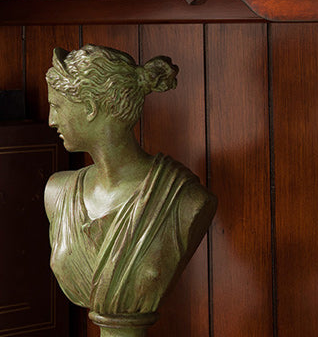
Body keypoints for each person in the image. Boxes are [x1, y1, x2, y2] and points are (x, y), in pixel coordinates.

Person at [44, 44, 216, 316]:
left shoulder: (185, 200)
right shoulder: (57, 193)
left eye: (56, 107)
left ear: (90, 108)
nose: (51, 120)